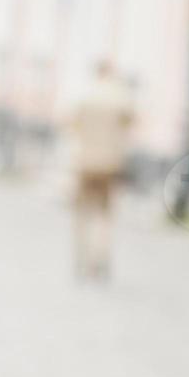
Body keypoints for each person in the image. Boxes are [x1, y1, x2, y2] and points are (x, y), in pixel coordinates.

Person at [69, 60, 134, 280]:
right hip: (110, 164)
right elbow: (131, 124)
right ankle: (101, 257)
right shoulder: (119, 98)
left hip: (85, 163)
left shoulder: (86, 96)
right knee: (105, 215)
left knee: (83, 213)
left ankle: (82, 258)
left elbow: (70, 124)